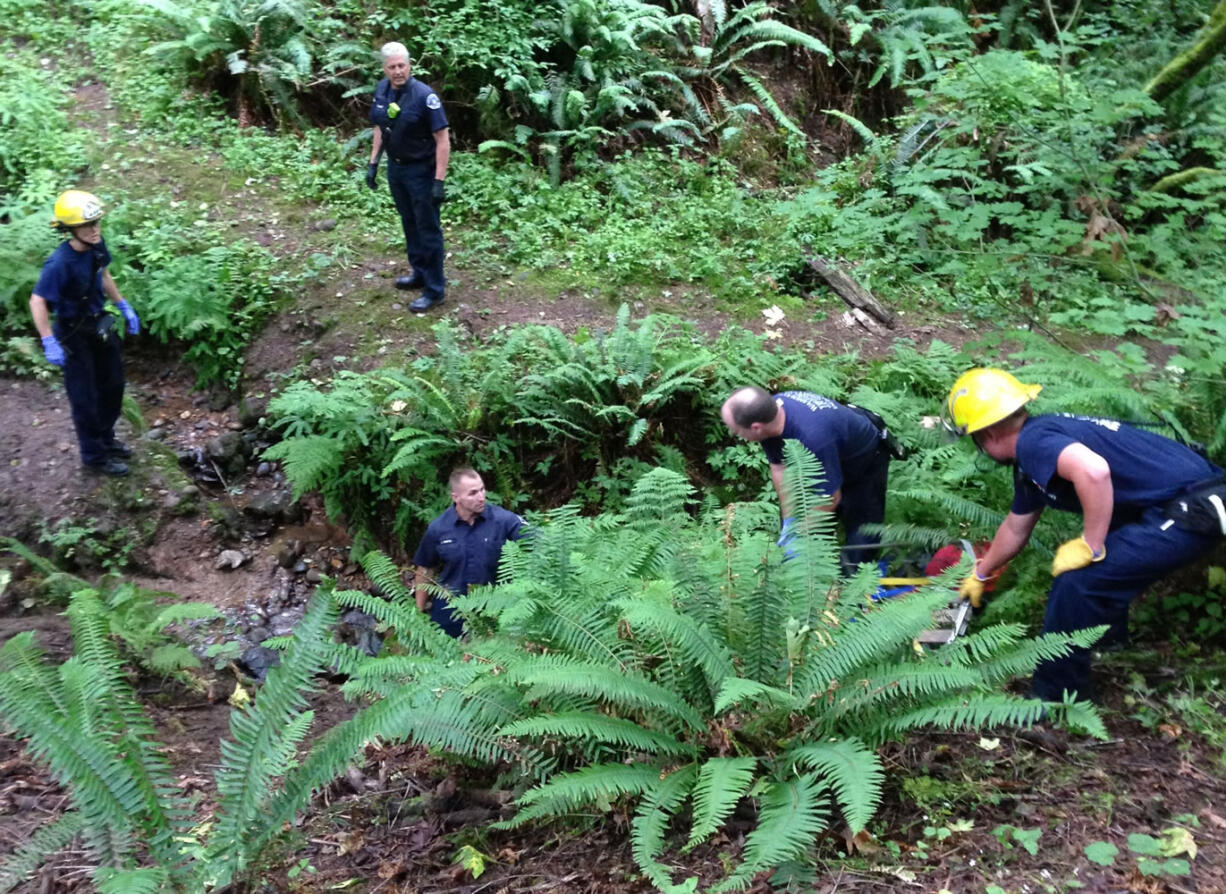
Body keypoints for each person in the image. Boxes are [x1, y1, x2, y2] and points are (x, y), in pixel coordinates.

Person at [945, 368, 1224, 702]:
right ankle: (1107, 641)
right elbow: (1016, 526)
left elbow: (1094, 471)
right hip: (1180, 502)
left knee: (1077, 584)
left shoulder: (1035, 443)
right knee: (1107, 559)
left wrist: (1090, 544)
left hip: (1194, 508)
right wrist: (980, 573)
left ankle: (1056, 699)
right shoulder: (1035, 451)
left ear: (987, 434)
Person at [720, 387, 896, 575]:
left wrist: (800, 532)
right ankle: (816, 574)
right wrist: (790, 521)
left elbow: (830, 499)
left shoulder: (814, 437)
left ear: (756, 427)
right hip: (826, 451)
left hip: (862, 460)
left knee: (862, 526)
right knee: (807, 519)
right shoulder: (770, 416)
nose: (737, 435)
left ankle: (855, 585)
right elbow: (780, 468)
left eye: (736, 431)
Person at [30, 190, 140, 477]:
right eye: (88, 225)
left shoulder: (96, 246)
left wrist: (123, 305)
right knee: (85, 397)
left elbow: (103, 275)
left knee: (113, 385)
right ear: (70, 229)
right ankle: (93, 456)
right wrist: (48, 341)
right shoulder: (59, 264)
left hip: (98, 325)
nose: (95, 230)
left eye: (97, 223)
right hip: (72, 334)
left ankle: (106, 438)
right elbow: (38, 300)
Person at [366, 41, 450, 313]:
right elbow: (380, 126)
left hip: (421, 172)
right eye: (392, 67)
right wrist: (373, 162)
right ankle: (419, 273)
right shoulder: (382, 90)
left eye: (402, 65)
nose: (398, 71)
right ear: (385, 69)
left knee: (428, 228)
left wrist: (438, 181)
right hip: (397, 169)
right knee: (409, 222)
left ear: (409, 65)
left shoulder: (425, 96)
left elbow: (443, 140)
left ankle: (435, 289)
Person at [412, 467, 524, 637]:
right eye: (472, 493)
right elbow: (425, 569)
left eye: (482, 489)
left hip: (495, 606)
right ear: (455, 497)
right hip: (451, 608)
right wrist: (417, 612)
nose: (481, 497)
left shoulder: (504, 521)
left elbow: (539, 544)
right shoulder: (438, 528)